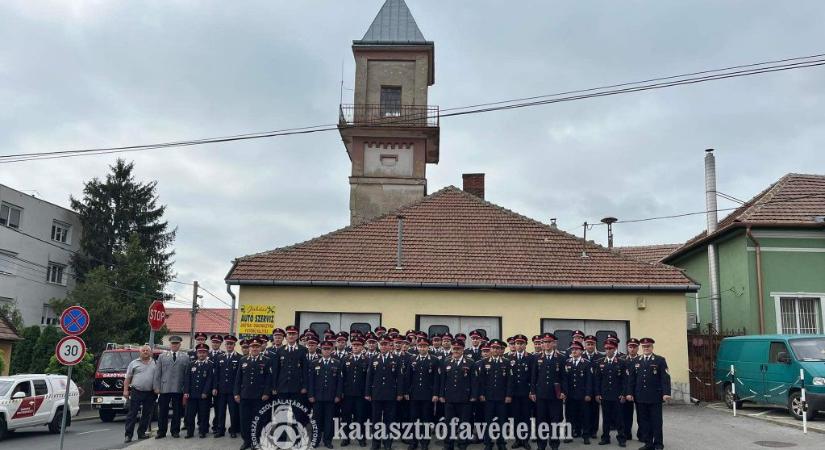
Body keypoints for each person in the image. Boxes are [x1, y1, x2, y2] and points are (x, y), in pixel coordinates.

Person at [626, 338, 670, 450]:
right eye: (644, 346)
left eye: (648, 346)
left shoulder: (660, 360)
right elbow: (632, 380)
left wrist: (666, 393)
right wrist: (630, 393)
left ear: (652, 347)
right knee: (644, 422)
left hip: (655, 397)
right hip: (640, 397)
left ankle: (659, 444)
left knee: (656, 422)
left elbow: (665, 378)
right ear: (642, 347)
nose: (646, 348)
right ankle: (648, 443)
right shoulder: (637, 361)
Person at [366, 336, 405, 450]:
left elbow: (400, 378)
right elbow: (369, 377)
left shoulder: (396, 359)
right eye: (381, 344)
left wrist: (399, 393)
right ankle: (376, 443)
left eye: (385, 344)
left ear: (389, 345)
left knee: (390, 419)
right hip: (376, 394)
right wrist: (368, 393)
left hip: (391, 395)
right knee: (376, 419)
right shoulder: (373, 358)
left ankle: (388, 443)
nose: (383, 346)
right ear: (379, 345)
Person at [235, 337, 272, 450]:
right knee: (244, 419)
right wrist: (236, 393)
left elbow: (268, 379)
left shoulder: (266, 360)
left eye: (257, 347)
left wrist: (266, 393)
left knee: (258, 419)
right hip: (245, 395)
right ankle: (246, 441)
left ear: (260, 348)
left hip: (259, 396)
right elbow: (238, 379)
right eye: (252, 346)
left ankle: (255, 441)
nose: (254, 348)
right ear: (249, 348)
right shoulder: (243, 360)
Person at [474, 339, 510, 450]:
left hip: (502, 397)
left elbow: (509, 381)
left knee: (502, 421)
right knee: (488, 421)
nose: (495, 350)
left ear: (500, 350)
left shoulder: (506, 362)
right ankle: (488, 443)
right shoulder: (484, 362)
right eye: (493, 348)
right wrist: (481, 394)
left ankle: (501, 443)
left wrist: (508, 395)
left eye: (497, 348)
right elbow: (481, 381)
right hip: (488, 397)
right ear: (490, 349)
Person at [531, 333, 565, 450]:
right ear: (542, 344)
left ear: (553, 343)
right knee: (541, 421)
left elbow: (564, 377)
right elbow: (533, 377)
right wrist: (533, 392)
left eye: (549, 342)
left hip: (555, 395)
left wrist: (563, 392)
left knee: (554, 421)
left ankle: (554, 444)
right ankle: (541, 445)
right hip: (541, 395)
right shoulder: (536, 358)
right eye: (544, 342)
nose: (546, 344)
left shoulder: (560, 358)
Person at [439, 339, 475, 450]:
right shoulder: (447, 361)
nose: (456, 351)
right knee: (449, 423)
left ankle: (462, 443)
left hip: (465, 398)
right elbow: (442, 381)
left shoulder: (470, 362)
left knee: (464, 423)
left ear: (463, 349)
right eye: (454, 348)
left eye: (458, 349)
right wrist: (441, 395)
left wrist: (473, 396)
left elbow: (474, 381)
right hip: (449, 398)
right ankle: (448, 443)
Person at [308, 340, 344, 449]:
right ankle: (316, 440)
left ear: (332, 350)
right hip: (317, 397)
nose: (326, 351)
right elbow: (311, 381)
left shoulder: (337, 363)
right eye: (324, 349)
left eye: (328, 349)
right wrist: (311, 395)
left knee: (329, 420)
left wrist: (338, 395)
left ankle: (328, 440)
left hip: (331, 397)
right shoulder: (314, 363)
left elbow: (340, 381)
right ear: (321, 350)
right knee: (316, 420)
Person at [406, 337, 440, 450]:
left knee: (426, 419)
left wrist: (435, 394)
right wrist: (406, 391)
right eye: (420, 346)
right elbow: (408, 377)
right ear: (417, 347)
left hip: (428, 395)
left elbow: (436, 379)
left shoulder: (434, 360)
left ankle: (425, 442)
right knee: (413, 419)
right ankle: (413, 442)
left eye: (424, 346)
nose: (422, 348)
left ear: (428, 347)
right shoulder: (412, 359)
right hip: (414, 395)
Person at [153, 335, 189, 439]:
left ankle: (175, 431)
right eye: (173, 343)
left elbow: (187, 375)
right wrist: (156, 387)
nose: (174, 345)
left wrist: (185, 389)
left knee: (177, 412)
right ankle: (161, 431)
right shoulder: (162, 356)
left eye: (176, 343)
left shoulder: (185, 357)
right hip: (165, 388)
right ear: (170, 344)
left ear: (180, 344)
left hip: (178, 388)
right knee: (163, 411)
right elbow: (157, 373)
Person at [594, 339, 626, 447]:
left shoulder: (621, 362)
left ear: (615, 349)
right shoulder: (600, 362)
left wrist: (623, 393)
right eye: (606, 348)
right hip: (605, 395)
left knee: (619, 418)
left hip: (617, 395)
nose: (608, 350)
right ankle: (605, 437)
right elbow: (597, 380)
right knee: (606, 418)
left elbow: (624, 380)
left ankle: (621, 438)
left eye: (610, 348)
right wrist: (597, 393)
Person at [123, 344, 156, 443]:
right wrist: (125, 390)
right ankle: (128, 435)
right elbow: (128, 378)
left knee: (147, 414)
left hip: (150, 392)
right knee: (132, 414)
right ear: (140, 352)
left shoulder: (155, 363)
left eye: (147, 350)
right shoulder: (133, 363)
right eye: (143, 350)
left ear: (150, 352)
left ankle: (141, 433)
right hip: (136, 391)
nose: (145, 352)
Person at [341, 336, 370, 447]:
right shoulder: (345, 359)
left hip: (360, 394)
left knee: (360, 417)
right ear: (351, 346)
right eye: (354, 345)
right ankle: (345, 438)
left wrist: (367, 393)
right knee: (346, 417)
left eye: (358, 345)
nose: (356, 347)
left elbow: (368, 378)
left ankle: (361, 438)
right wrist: (341, 392)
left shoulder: (367, 360)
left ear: (362, 347)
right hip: (347, 394)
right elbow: (341, 377)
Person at [563, 341, 593, 445]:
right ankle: (569, 434)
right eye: (572, 349)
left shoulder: (586, 363)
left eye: (576, 349)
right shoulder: (567, 362)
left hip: (582, 395)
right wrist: (565, 393)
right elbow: (564, 380)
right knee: (569, 415)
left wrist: (588, 394)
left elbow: (589, 380)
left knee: (584, 415)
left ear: (581, 351)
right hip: (570, 395)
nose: (574, 351)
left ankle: (586, 435)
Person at [214, 334, 242, 438]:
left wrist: (237, 391)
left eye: (231, 344)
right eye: (227, 344)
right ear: (225, 345)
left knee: (233, 412)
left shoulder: (239, 358)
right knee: (221, 411)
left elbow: (239, 377)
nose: (229, 346)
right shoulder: (219, 357)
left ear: (234, 345)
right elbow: (216, 374)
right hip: (221, 390)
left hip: (232, 391)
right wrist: (215, 387)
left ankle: (233, 430)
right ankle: (220, 430)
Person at [184, 343, 214, 439]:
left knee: (203, 414)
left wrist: (205, 392)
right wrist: (186, 392)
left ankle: (202, 431)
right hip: (192, 394)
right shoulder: (191, 364)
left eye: (204, 352)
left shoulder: (210, 365)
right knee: (190, 415)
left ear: (207, 354)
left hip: (204, 395)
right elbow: (187, 379)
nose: (201, 354)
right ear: (197, 353)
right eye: (200, 352)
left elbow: (210, 380)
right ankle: (190, 432)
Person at [271, 325, 306, 403]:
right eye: (289, 334)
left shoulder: (303, 350)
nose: (291, 336)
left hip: (297, 388)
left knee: (297, 413)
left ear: (297, 336)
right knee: (281, 412)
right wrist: (274, 387)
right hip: (282, 387)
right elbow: (276, 370)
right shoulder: (280, 350)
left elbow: (305, 370)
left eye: (293, 334)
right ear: (286, 336)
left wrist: (304, 386)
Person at [510, 334, 534, 450]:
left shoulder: (530, 358)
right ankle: (517, 439)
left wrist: (532, 391)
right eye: (517, 343)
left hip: (526, 393)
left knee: (525, 417)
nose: (519, 346)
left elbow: (533, 377)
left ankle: (525, 440)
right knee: (516, 417)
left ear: (525, 345)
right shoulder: (509, 358)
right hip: (514, 394)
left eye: (521, 343)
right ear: (514, 345)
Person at [622, 338, 641, 442]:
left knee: (641, 415)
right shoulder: (622, 359)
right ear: (627, 347)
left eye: (634, 347)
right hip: (626, 391)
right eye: (630, 347)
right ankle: (626, 433)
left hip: (639, 391)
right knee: (626, 414)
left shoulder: (642, 359)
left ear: (638, 348)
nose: (632, 349)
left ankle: (642, 434)